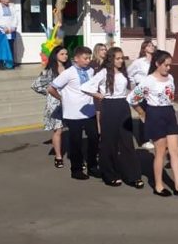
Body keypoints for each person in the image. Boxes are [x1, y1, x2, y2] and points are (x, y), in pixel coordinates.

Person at [127, 50, 178, 198]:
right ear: (157, 64)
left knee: (175, 150)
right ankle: (158, 186)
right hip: (155, 114)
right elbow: (132, 98)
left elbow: (170, 96)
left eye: (170, 65)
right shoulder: (149, 80)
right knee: (160, 151)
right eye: (166, 65)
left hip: (169, 113)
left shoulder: (170, 78)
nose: (168, 68)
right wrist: (142, 113)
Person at [82, 47, 143, 188]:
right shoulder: (103, 72)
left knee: (127, 141)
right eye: (118, 58)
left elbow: (130, 90)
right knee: (109, 142)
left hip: (123, 106)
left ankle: (133, 176)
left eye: (122, 58)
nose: (121, 61)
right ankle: (110, 175)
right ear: (111, 59)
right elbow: (85, 87)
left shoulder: (124, 73)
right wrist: (98, 95)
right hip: (109, 106)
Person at [48, 46, 100, 180]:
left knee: (94, 138)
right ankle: (76, 169)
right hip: (73, 113)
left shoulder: (91, 71)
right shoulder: (68, 73)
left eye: (89, 58)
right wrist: (61, 98)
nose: (88, 61)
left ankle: (92, 166)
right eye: (85, 58)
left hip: (89, 112)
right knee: (76, 142)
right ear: (76, 58)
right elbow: (51, 88)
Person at [31, 45, 70, 168]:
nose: (65, 56)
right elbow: (36, 85)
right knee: (58, 130)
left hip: (70, 102)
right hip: (55, 103)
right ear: (55, 55)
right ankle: (58, 156)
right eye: (62, 54)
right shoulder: (49, 71)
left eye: (66, 54)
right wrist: (48, 93)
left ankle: (75, 156)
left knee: (74, 129)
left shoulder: (70, 69)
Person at [127, 39, 156, 150]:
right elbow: (129, 73)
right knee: (143, 112)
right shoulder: (139, 62)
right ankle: (144, 140)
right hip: (141, 88)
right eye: (149, 45)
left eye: (152, 45)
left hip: (153, 88)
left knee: (153, 112)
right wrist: (134, 86)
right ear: (144, 48)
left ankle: (153, 135)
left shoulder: (156, 60)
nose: (151, 47)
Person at [0, 0, 19, 69]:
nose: (6, 0)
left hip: (11, 31)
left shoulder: (12, 8)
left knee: (10, 47)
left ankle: (9, 64)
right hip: (2, 31)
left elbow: (15, 18)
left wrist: (12, 28)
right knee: (1, 47)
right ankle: (0, 64)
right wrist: (3, 28)